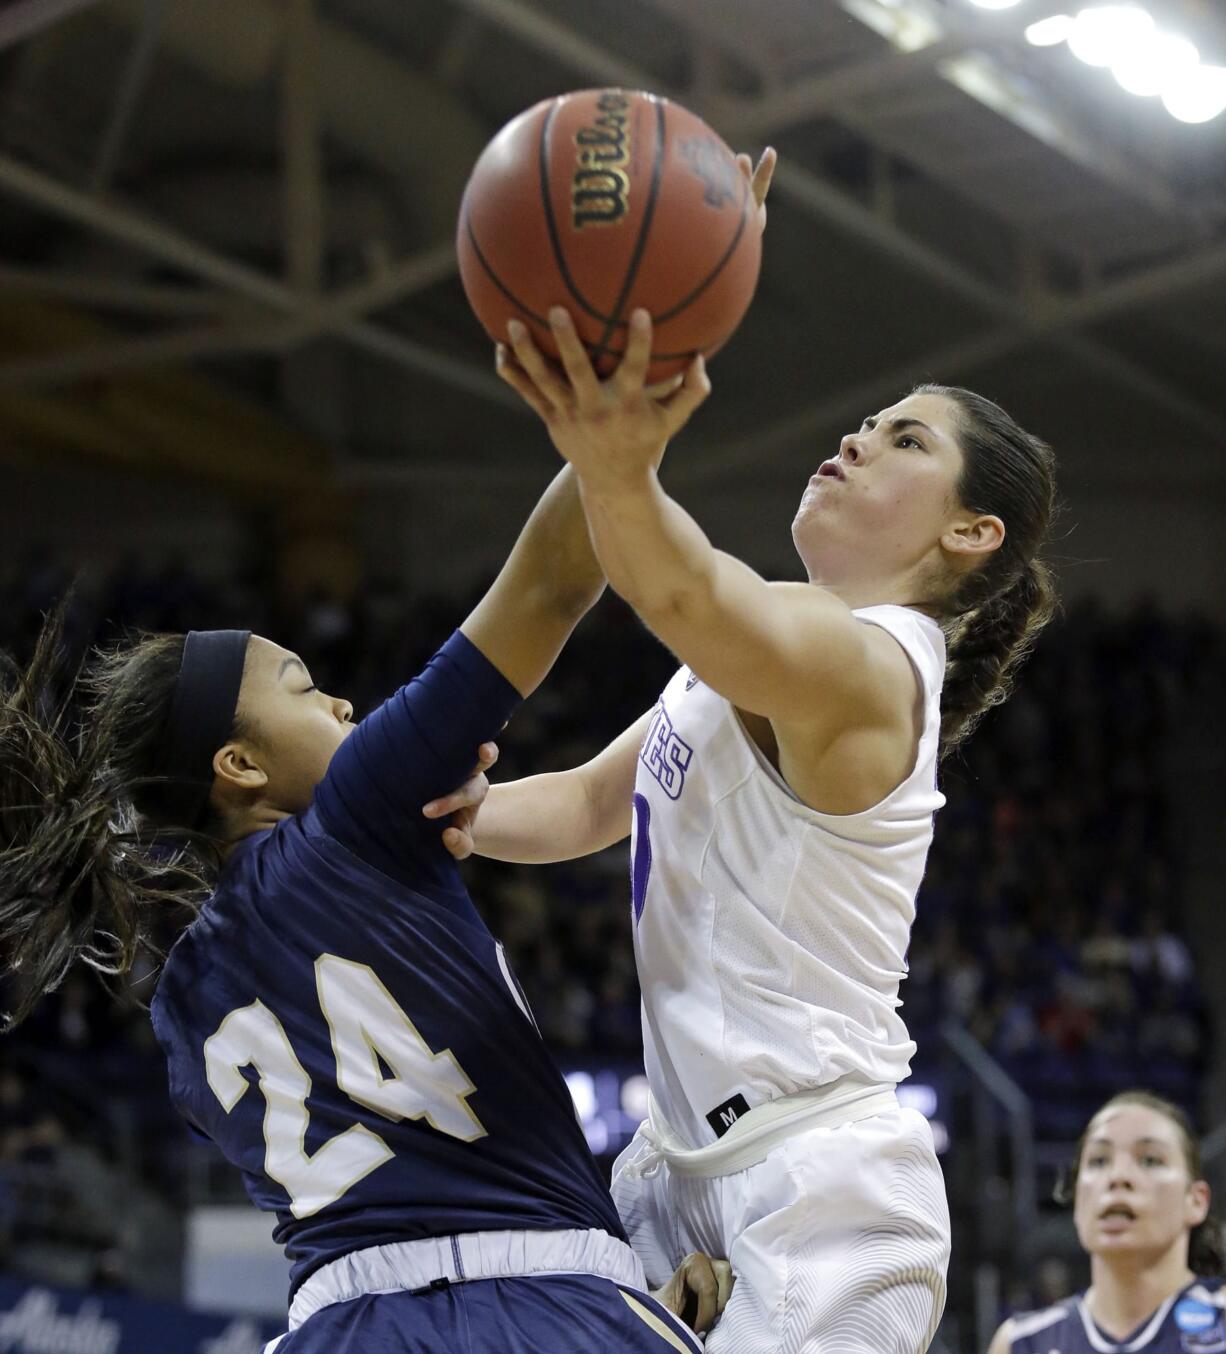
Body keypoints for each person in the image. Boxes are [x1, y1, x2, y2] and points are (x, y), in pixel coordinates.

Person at [429, 214, 1060, 1352]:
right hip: (670, 1169)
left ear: (971, 530)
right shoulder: (767, 639)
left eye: (905, 440)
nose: (858, 438)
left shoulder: (869, 666)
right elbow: (581, 802)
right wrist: (437, 818)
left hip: (820, 1180)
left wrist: (618, 452)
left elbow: (683, 593)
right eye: (865, 421)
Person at [0, 462, 730, 1351]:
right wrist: (610, 425)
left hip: (338, 1327)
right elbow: (550, 578)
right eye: (305, 688)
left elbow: (415, 1201)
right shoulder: (355, 819)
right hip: (548, 1309)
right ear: (240, 767)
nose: (342, 700)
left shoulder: (180, 1005)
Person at [988, 1090, 1225, 1353]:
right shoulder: (1020, 1342)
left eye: (1150, 1159)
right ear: (1077, 1198)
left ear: (1196, 1200)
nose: (1118, 1176)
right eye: (1099, 1161)